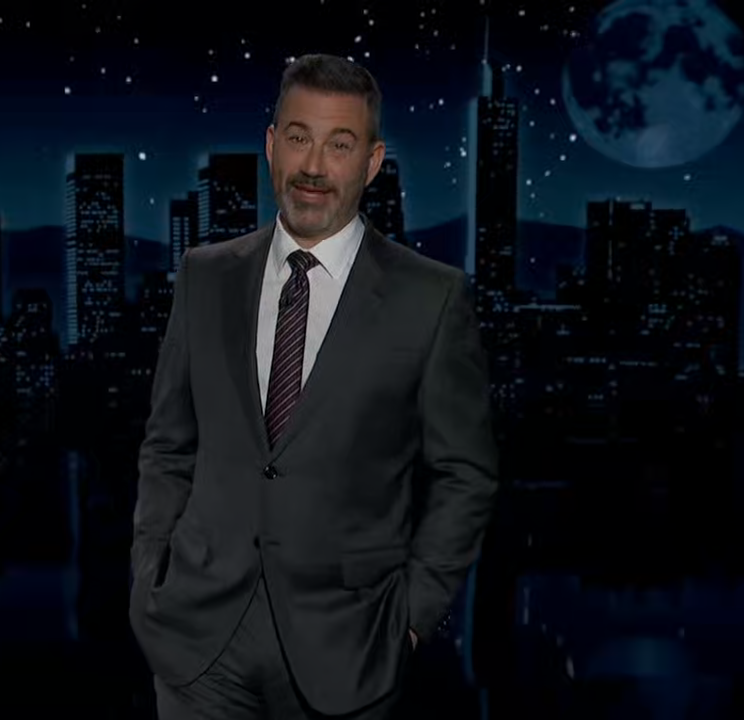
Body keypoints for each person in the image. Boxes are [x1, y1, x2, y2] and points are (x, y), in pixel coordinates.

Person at [129, 53, 499, 719]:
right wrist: (149, 576)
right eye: (299, 137)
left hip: (349, 644)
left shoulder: (432, 297)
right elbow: (168, 445)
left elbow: (464, 475)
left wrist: (413, 619)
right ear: (272, 145)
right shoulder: (205, 276)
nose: (314, 167)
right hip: (198, 638)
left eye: (340, 144)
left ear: (372, 162)